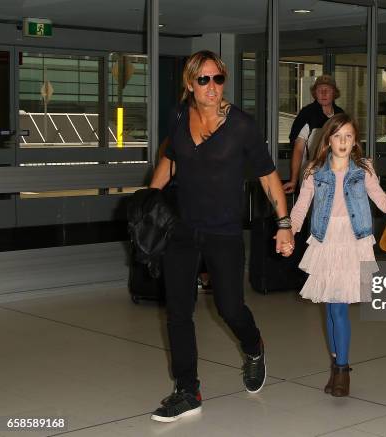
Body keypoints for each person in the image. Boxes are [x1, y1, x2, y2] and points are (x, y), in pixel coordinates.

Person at [148, 50, 295, 422]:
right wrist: (150, 199)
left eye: (218, 79)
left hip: (224, 232)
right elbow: (170, 157)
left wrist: (284, 223)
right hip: (182, 229)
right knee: (178, 312)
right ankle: (187, 389)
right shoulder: (179, 116)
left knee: (230, 307)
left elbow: (266, 174)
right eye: (204, 80)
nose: (212, 88)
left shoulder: (242, 125)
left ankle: (254, 345)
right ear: (189, 84)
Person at [286, 113, 386, 397]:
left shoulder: (363, 169)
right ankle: (337, 366)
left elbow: (383, 204)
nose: (343, 141)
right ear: (328, 140)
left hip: (352, 241)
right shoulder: (313, 171)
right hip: (325, 240)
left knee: (340, 309)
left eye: (348, 136)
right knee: (331, 309)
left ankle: (343, 370)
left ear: (355, 140)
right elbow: (300, 208)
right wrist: (289, 231)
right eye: (337, 136)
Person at [282, 75, 344, 194]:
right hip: (311, 175)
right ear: (315, 93)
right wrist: (294, 180)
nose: (324, 93)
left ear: (334, 93)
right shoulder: (307, 115)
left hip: (337, 175)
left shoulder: (340, 115)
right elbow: (298, 149)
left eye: (328, 90)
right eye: (320, 90)